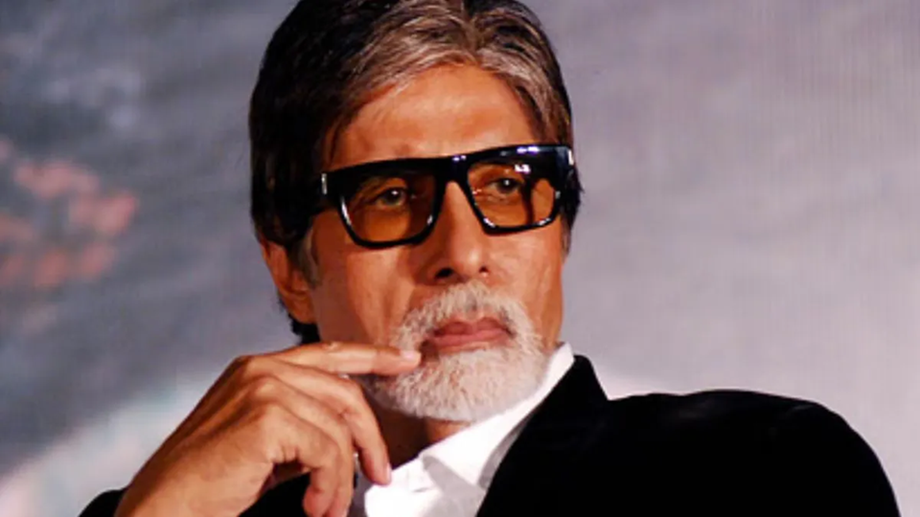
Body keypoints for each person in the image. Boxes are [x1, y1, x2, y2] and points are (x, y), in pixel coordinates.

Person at [80, 0, 900, 516]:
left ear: (560, 230)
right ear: (291, 267)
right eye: (392, 196)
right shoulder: (169, 509)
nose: (462, 252)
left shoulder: (759, 472)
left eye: (506, 187)